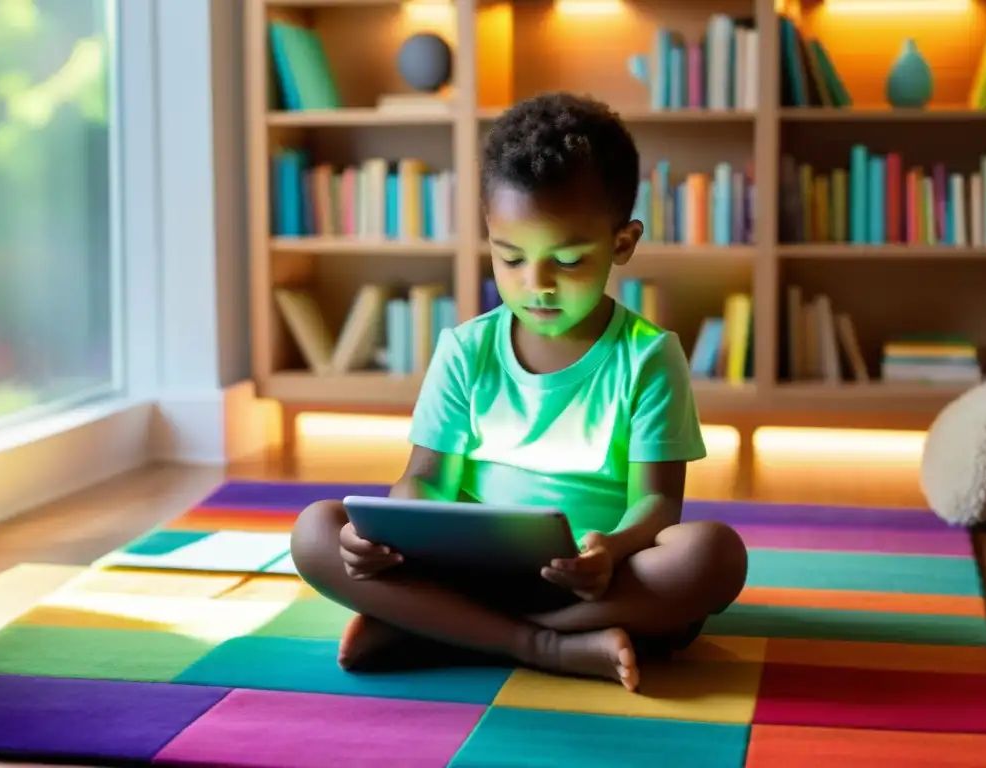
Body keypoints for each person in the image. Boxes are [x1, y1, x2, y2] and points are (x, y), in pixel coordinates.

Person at [290, 92, 749, 692]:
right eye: (510, 259)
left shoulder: (648, 357)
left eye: (567, 260)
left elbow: (659, 507)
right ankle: (540, 644)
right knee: (315, 531)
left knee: (712, 555)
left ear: (622, 244)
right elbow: (425, 479)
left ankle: (439, 628)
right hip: (465, 571)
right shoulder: (465, 350)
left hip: (595, 581)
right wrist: (380, 535)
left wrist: (610, 551)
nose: (538, 286)